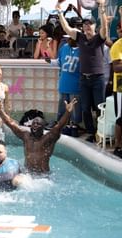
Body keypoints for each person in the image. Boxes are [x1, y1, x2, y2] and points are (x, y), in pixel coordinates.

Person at [56, 0, 107, 143]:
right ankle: (91, 133)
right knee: (85, 108)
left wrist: (102, 7)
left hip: (98, 79)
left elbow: (105, 28)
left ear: (94, 26)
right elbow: (66, 28)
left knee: (99, 108)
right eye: (85, 24)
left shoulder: (99, 38)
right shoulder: (80, 37)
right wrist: (59, 11)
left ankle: (100, 133)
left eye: (89, 23)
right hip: (84, 79)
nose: (87, 26)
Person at [0, 98, 77, 174]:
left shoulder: (48, 138)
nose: (35, 125)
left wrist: (68, 112)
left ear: (43, 127)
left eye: (38, 124)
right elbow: (10, 123)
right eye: (33, 123)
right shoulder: (26, 136)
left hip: (42, 176)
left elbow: (59, 126)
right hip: (27, 173)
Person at [47, 36, 82, 135]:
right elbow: (59, 62)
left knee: (75, 108)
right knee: (62, 107)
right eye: (68, 38)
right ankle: (63, 125)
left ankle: (74, 126)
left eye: (71, 38)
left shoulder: (83, 50)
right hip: (64, 84)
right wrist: (50, 61)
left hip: (76, 85)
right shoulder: (64, 48)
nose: (68, 40)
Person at [110, 26, 122, 158]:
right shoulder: (117, 46)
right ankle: (118, 147)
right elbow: (117, 67)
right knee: (121, 118)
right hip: (120, 87)